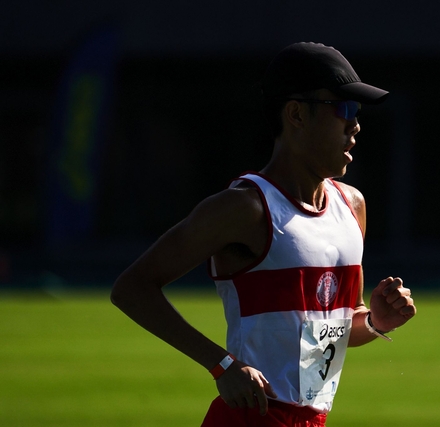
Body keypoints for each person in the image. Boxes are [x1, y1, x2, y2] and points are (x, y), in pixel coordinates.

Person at [111, 41, 417, 427]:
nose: (354, 124)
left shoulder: (352, 206)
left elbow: (327, 336)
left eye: (356, 112)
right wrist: (222, 365)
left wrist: (375, 322)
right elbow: (131, 288)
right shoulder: (244, 207)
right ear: (296, 114)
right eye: (343, 109)